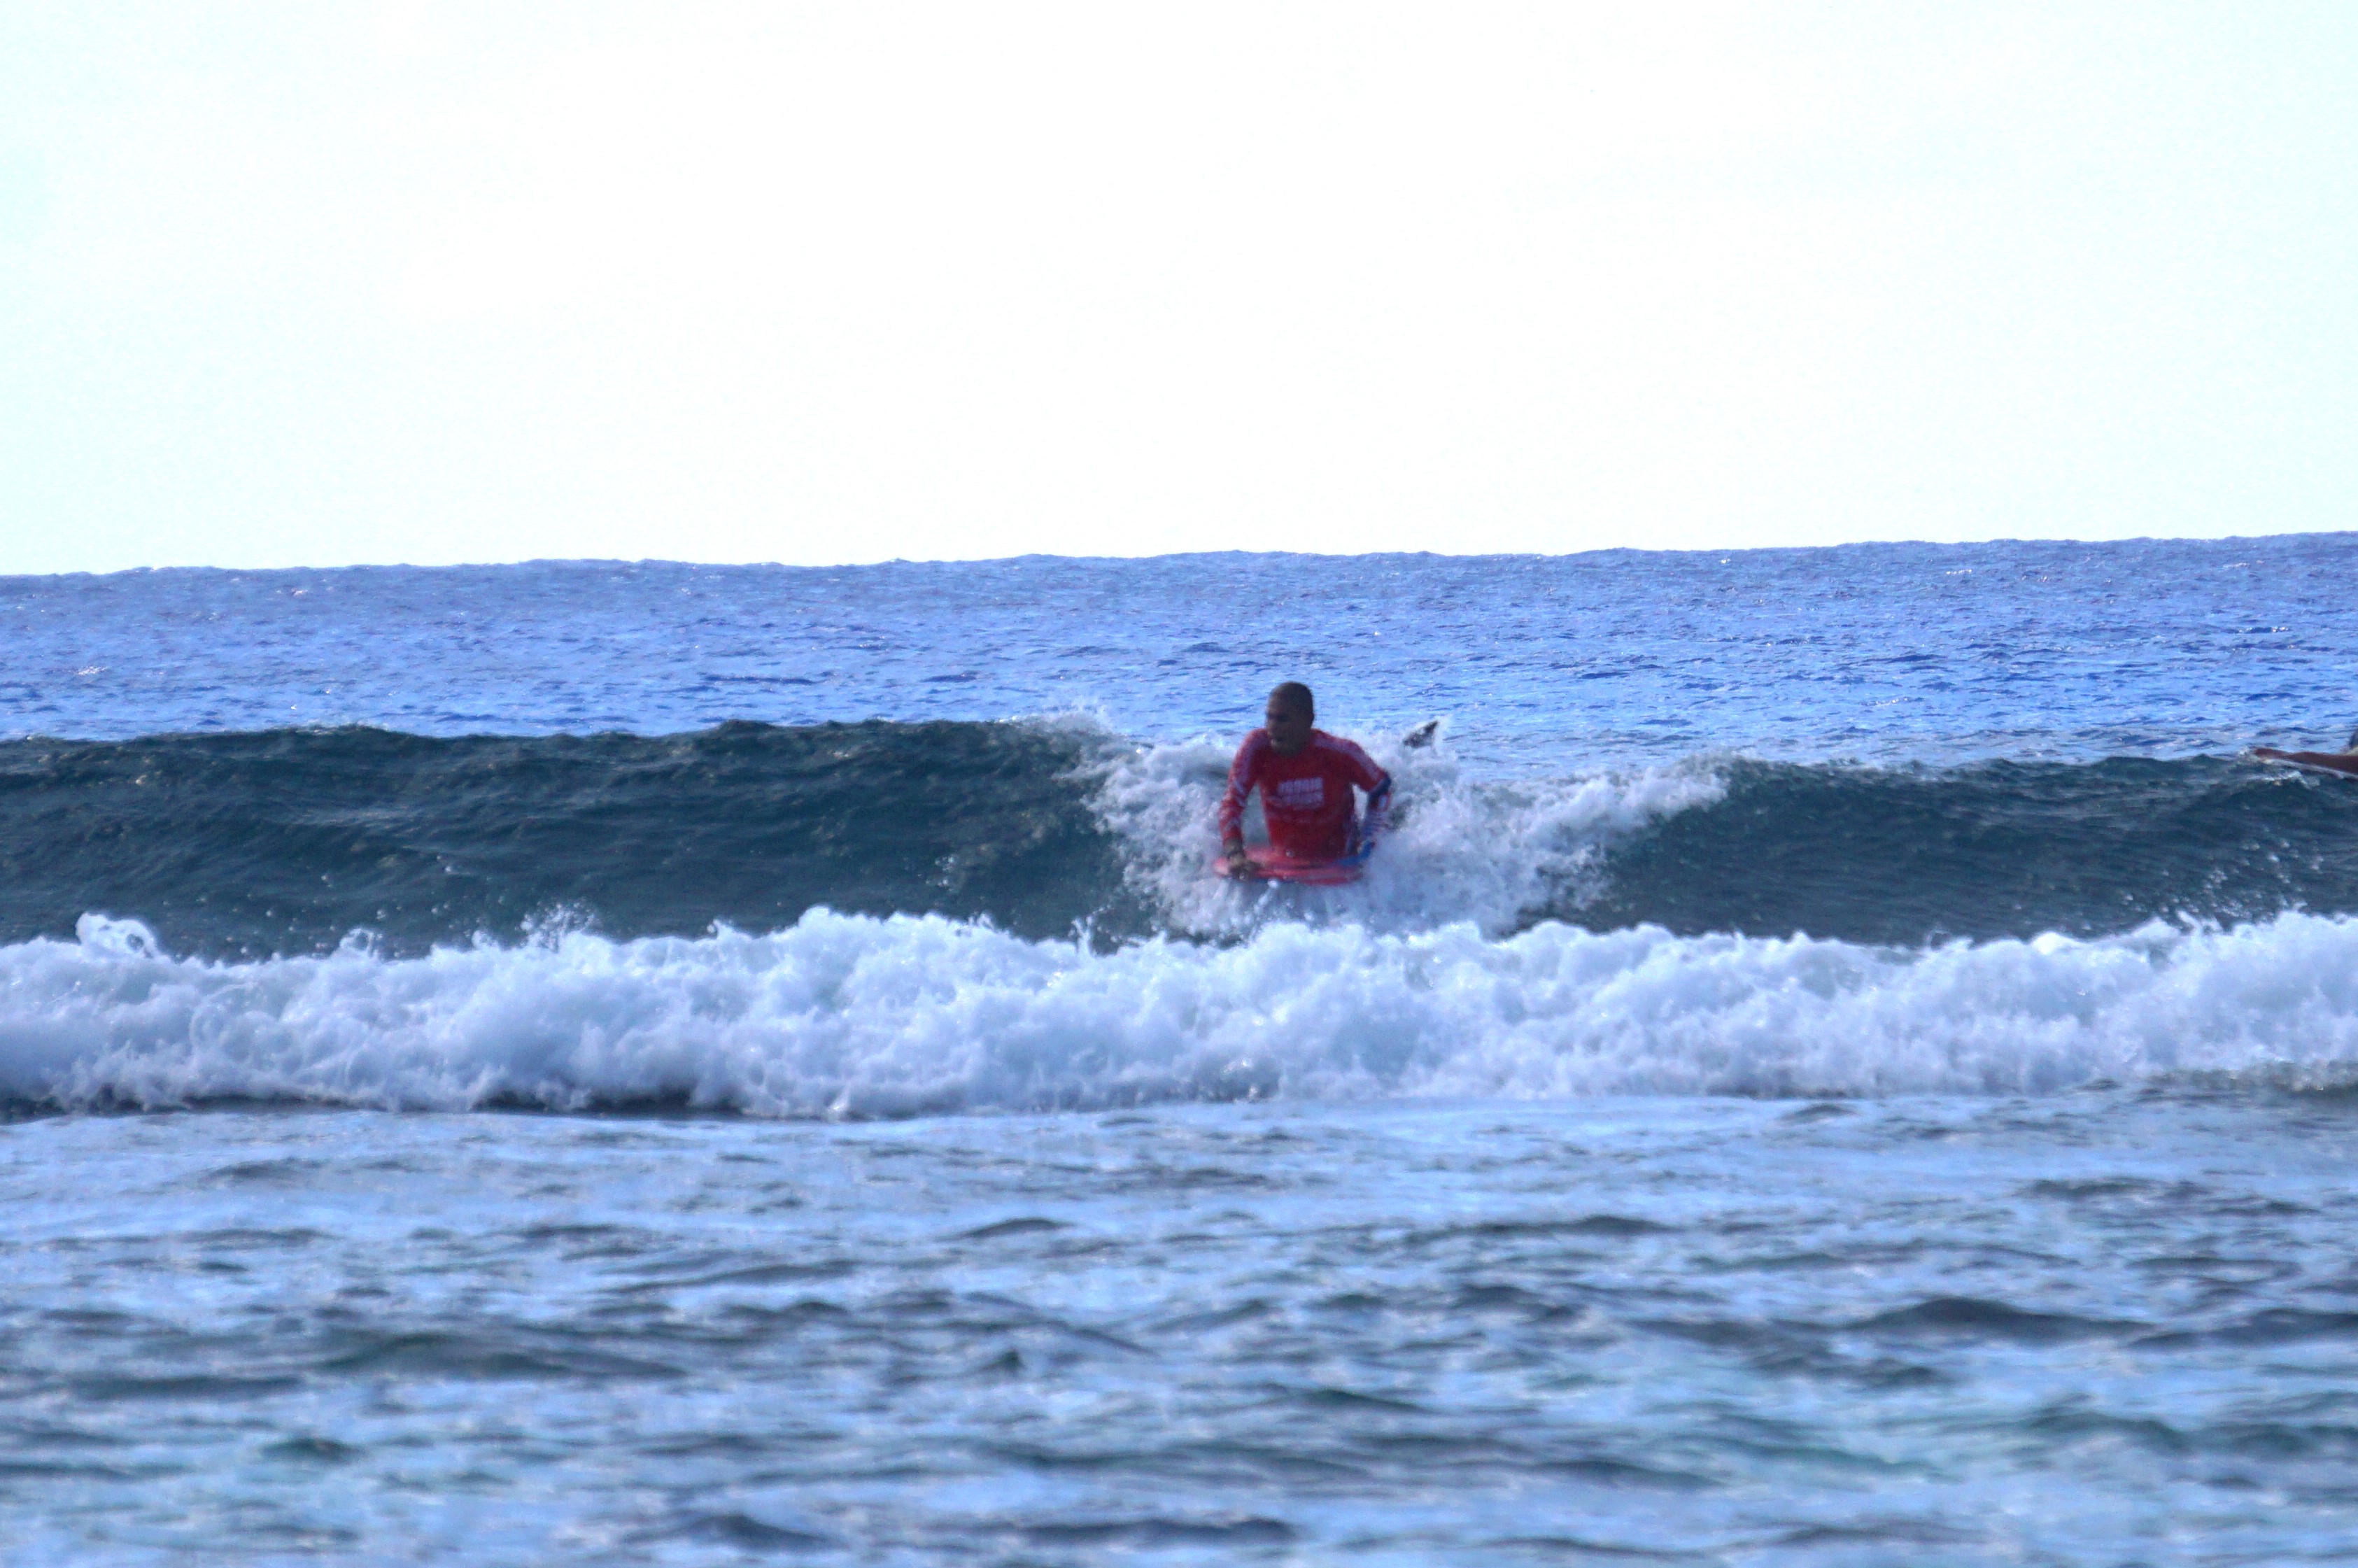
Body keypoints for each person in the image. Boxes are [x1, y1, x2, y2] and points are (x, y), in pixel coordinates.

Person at [1218, 682, 1392, 878]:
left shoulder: (1339, 753)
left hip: (1339, 859)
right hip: (1286, 859)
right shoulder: (1257, 749)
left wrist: (1368, 840)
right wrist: (1235, 854)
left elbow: (1381, 788)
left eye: (1283, 719)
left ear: (1308, 721)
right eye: (1269, 718)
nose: (1272, 727)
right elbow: (1232, 802)